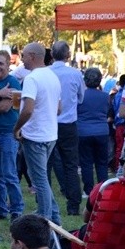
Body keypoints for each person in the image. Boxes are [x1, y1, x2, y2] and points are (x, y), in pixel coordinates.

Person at [13, 42, 62, 225]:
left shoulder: (32, 79)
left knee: (39, 180)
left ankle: (45, 218)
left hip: (35, 136)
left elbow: (27, 110)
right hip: (50, 134)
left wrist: (17, 128)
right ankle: (54, 217)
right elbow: (59, 108)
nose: (22, 59)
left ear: (32, 56)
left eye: (24, 55)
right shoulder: (52, 76)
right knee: (41, 178)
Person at [0, 50, 24, 222]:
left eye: (1, 63)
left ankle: (16, 210)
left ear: (8, 65)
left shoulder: (13, 82)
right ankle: (0, 208)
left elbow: (5, 107)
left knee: (9, 173)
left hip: (7, 133)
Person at [46, 41, 85, 216]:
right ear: (68, 55)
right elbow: (81, 98)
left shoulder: (46, 73)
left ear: (52, 55)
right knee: (70, 165)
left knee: (44, 164)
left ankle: (44, 201)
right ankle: (73, 204)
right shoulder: (75, 74)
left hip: (48, 123)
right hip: (68, 124)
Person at [77, 67, 111, 197]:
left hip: (84, 131)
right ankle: (103, 189)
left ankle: (88, 190)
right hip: (102, 131)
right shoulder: (105, 96)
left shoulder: (81, 96)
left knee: (86, 163)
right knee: (102, 162)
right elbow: (108, 111)